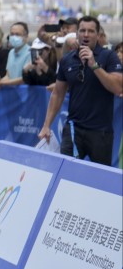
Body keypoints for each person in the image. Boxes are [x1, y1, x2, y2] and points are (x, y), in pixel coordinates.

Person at [38, 16, 123, 166]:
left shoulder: (109, 56)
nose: (86, 34)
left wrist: (94, 65)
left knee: (100, 179)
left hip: (101, 132)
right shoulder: (67, 59)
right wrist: (46, 125)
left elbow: (117, 87)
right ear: (77, 33)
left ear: (97, 34)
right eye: (82, 30)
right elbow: (57, 93)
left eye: (90, 31)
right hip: (73, 129)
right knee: (66, 172)